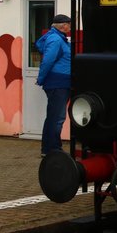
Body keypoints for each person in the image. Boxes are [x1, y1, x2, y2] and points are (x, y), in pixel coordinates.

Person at [36, 13, 72, 156]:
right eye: (69, 24)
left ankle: (51, 148)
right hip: (58, 83)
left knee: (54, 117)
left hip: (60, 82)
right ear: (63, 25)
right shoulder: (56, 40)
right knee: (57, 118)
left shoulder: (59, 39)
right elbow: (48, 61)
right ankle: (52, 149)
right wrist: (41, 78)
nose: (70, 26)